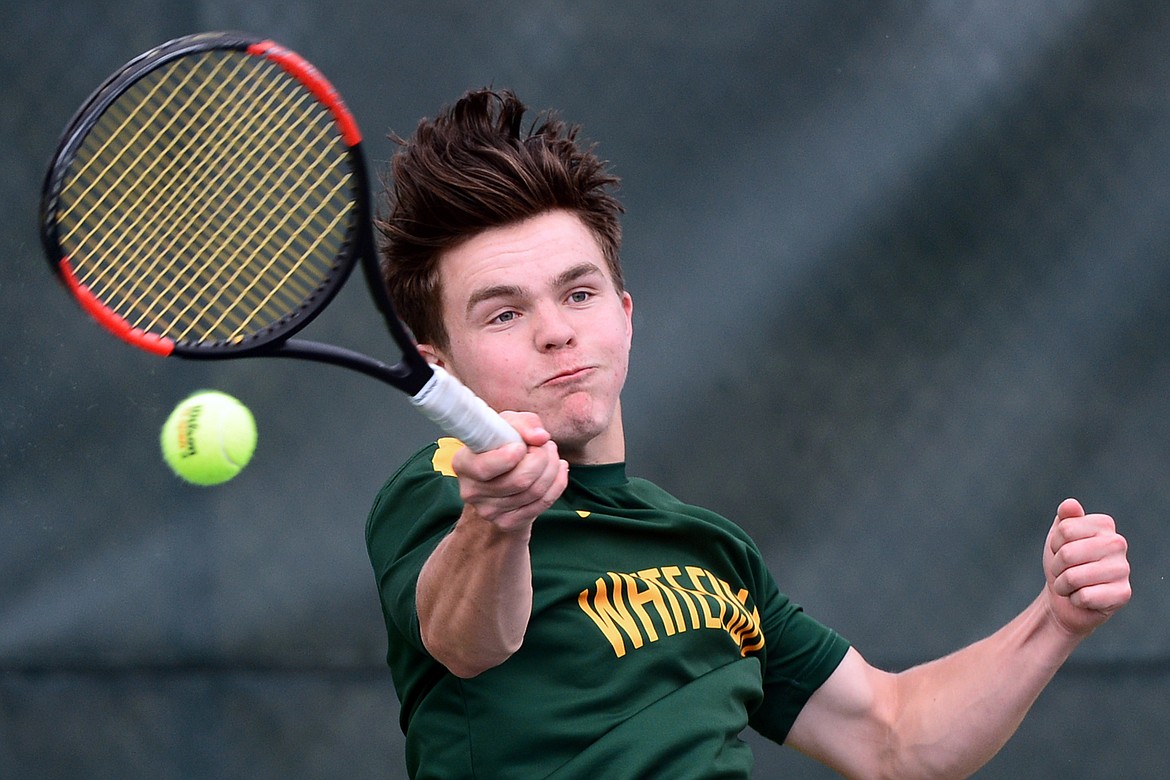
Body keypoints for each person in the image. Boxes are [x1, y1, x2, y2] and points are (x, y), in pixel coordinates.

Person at [365, 88, 1132, 779]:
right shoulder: (444, 487)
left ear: (624, 317)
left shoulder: (714, 553)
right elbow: (465, 640)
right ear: (441, 365)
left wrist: (1055, 618)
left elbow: (894, 738)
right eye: (504, 313)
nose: (556, 332)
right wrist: (496, 522)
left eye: (579, 292)